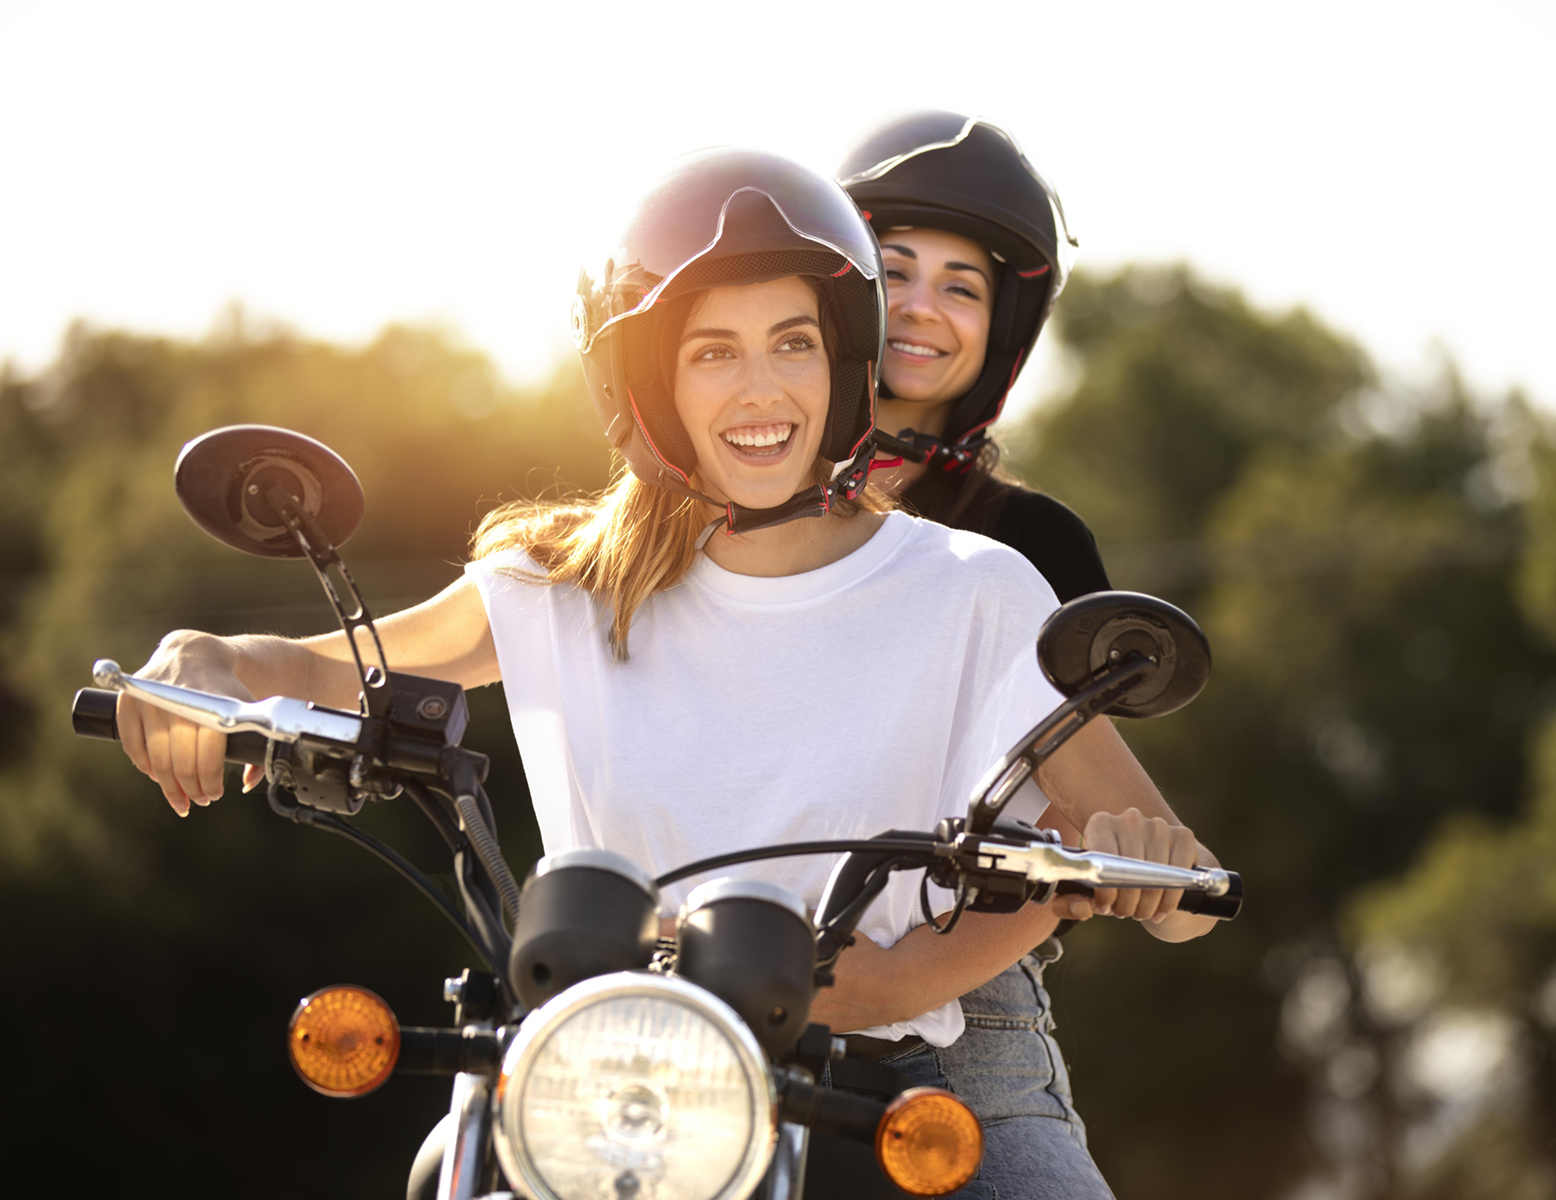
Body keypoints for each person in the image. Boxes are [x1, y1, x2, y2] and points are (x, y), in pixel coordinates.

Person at [112, 148, 1214, 1197]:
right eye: (711, 352)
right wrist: (203, 660)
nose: (760, 389)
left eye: (792, 342)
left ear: (842, 363)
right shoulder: (556, 583)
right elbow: (316, 666)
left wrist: (1127, 877)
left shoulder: (975, 590)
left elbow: (1178, 895)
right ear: (650, 385)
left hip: (877, 1091)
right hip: (607, 1089)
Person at [837, 111, 1132, 1197]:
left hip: (956, 1018)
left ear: (999, 329)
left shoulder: (1029, 549)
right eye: (891, 269)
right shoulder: (703, 505)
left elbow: (1084, 799)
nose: (919, 308)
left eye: (960, 287)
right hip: (697, 977)